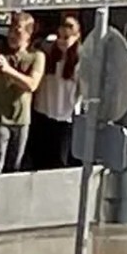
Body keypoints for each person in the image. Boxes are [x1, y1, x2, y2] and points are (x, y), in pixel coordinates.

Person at [0, 11, 45, 174]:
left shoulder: (36, 56)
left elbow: (32, 85)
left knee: (14, 166)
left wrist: (8, 70)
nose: (12, 35)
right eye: (10, 30)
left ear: (28, 34)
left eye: (17, 32)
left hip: (21, 120)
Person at [30, 15, 82, 171]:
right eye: (59, 36)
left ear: (77, 36)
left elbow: (84, 89)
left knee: (59, 160)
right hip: (43, 112)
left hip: (64, 117)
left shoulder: (80, 59)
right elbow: (37, 44)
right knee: (39, 156)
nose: (61, 41)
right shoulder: (48, 48)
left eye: (66, 38)